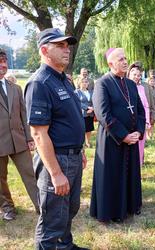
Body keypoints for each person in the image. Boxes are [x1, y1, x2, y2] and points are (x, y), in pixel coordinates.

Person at [24, 28, 88, 250]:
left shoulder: (63, 80)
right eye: (59, 45)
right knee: (52, 218)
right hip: (56, 160)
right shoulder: (39, 83)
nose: (66, 49)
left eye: (67, 45)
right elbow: (39, 133)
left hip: (72, 156)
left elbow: (69, 119)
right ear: (44, 50)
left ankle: (65, 245)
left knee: (69, 209)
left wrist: (80, 151)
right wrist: (56, 173)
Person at [90, 48, 145, 222]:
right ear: (110, 63)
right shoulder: (102, 83)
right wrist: (123, 136)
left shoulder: (130, 84)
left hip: (132, 138)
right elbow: (103, 114)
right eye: (120, 59)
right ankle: (112, 211)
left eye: (125, 58)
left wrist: (139, 132)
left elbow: (140, 110)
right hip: (112, 139)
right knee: (113, 176)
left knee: (130, 175)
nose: (125, 61)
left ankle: (130, 206)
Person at [0, 49, 38, 221]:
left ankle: (41, 205)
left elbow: (24, 115)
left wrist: (30, 138)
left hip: (19, 140)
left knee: (30, 172)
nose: (3, 65)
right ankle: (7, 207)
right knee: (0, 178)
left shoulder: (15, 88)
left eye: (4, 61)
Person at [127, 62, 150, 166]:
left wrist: (147, 121)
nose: (137, 77)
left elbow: (146, 106)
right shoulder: (124, 86)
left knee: (140, 145)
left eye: (139, 75)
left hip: (140, 121)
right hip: (128, 121)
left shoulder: (141, 88)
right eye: (134, 75)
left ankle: (139, 166)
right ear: (129, 74)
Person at [75, 77, 95, 148]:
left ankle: (87, 142)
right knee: (82, 129)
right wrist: (87, 108)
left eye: (86, 82)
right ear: (79, 83)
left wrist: (92, 108)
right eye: (83, 82)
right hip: (82, 114)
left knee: (89, 128)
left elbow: (95, 101)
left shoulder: (91, 92)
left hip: (91, 113)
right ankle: (82, 143)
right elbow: (77, 102)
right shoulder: (77, 92)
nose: (85, 83)